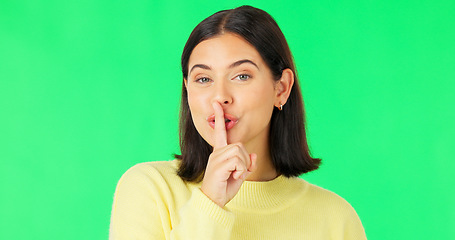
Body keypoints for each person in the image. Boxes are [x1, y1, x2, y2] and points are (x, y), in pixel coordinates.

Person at [109, 5, 367, 240]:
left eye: (242, 75)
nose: (220, 96)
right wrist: (210, 201)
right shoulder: (149, 189)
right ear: (187, 91)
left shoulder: (336, 218)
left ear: (282, 88)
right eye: (203, 79)